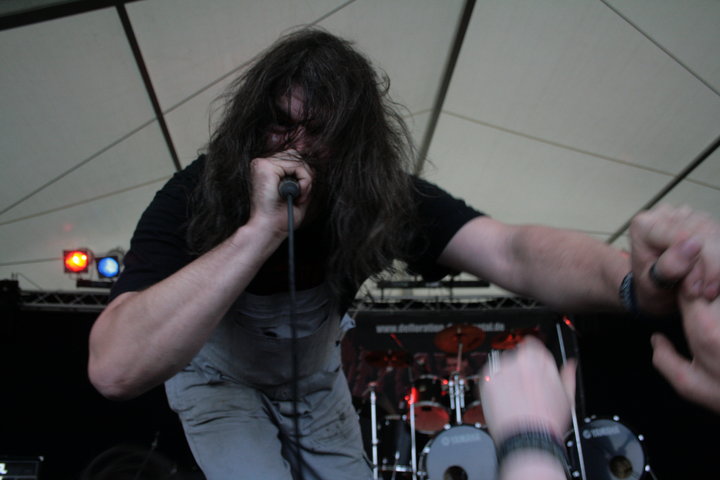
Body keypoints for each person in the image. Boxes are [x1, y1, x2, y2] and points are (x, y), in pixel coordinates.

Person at [87, 27, 720, 480]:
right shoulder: (194, 193)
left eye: (319, 131)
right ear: (251, 122)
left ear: (354, 144)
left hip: (312, 385)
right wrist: (258, 233)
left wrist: (635, 279)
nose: (294, 146)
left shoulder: (379, 196)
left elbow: (512, 250)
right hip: (217, 381)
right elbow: (114, 368)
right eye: (280, 123)